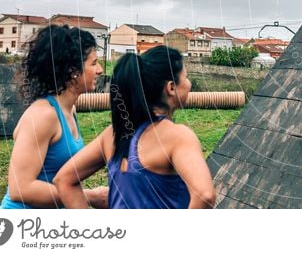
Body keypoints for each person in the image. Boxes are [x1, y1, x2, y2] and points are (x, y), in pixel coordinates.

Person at [53, 46, 215, 209]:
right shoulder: (177, 136)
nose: (189, 83)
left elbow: (64, 180)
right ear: (171, 87)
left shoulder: (113, 133)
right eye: (186, 77)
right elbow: (205, 195)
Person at [0, 25, 107, 209]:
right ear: (73, 71)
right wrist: (89, 196)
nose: (100, 70)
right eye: (94, 63)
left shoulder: (69, 109)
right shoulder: (43, 115)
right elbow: (20, 189)